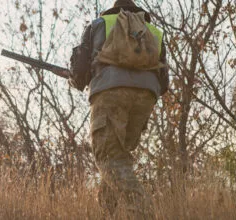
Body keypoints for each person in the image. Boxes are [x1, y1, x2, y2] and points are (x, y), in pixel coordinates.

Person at [69, 0, 169, 218]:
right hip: (146, 97)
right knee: (117, 156)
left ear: (112, 8)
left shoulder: (98, 24)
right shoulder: (153, 31)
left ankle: (142, 211)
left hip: (110, 93)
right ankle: (107, 213)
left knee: (108, 156)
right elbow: (164, 85)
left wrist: (78, 79)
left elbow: (79, 75)